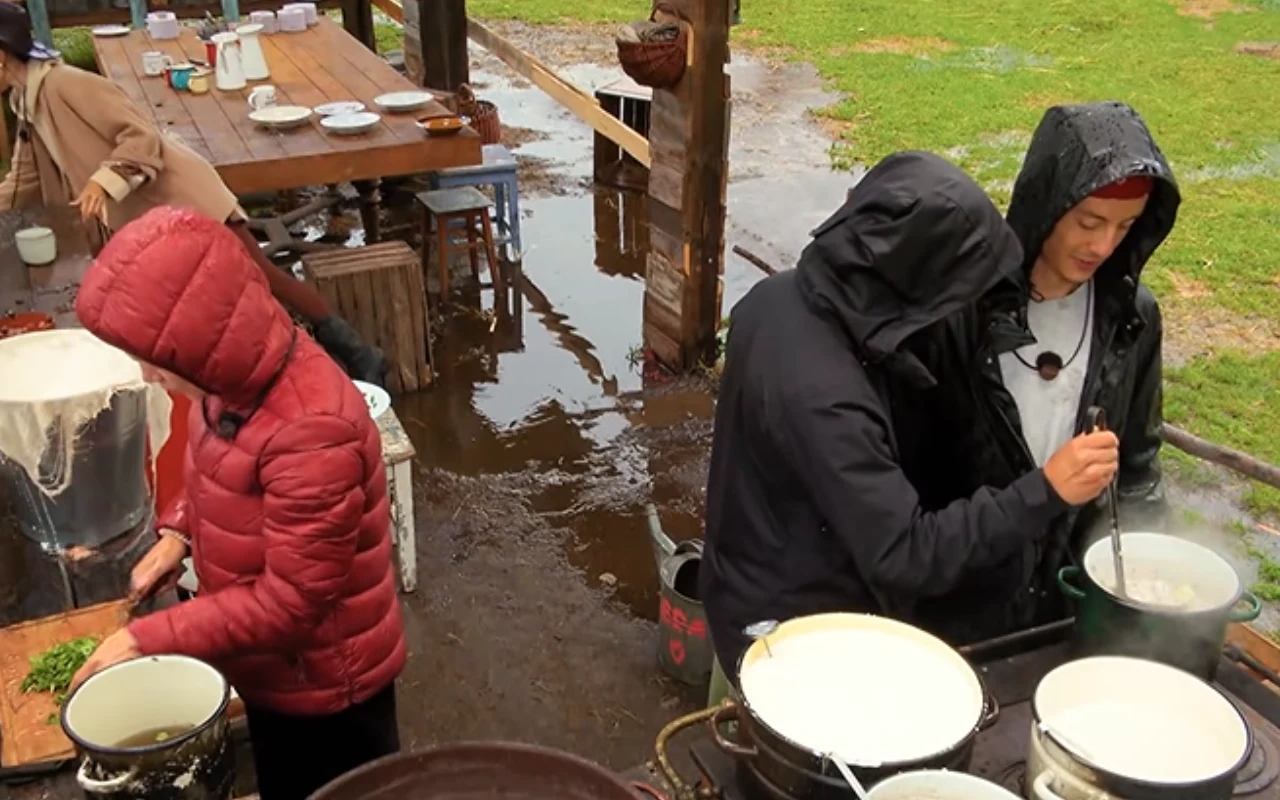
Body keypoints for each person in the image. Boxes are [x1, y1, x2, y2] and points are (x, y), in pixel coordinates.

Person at [699, 151, 1121, 695]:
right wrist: (1044, 490)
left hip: (749, 574)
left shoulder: (781, 298)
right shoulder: (825, 395)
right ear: (914, 280)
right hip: (793, 641)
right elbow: (904, 554)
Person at [69, 207, 406, 800]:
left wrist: (149, 638)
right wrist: (180, 532)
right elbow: (216, 468)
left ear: (199, 339)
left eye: (155, 357)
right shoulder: (232, 377)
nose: (148, 374)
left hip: (326, 688)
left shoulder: (312, 429)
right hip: (273, 670)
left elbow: (293, 603)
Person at [901, 101, 1180, 642]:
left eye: (1124, 226)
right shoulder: (959, 309)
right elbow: (907, 477)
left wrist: (1143, 588)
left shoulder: (1131, 317)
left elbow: (1140, 467)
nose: (1102, 246)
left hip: (1069, 603)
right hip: (955, 607)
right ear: (1047, 204)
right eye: (1089, 221)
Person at [0, 1, 385, 385]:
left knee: (261, 277)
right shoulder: (27, 101)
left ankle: (358, 354)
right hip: (150, 217)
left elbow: (139, 134)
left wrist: (104, 180)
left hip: (180, 193)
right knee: (205, 300)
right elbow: (24, 178)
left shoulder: (67, 84)